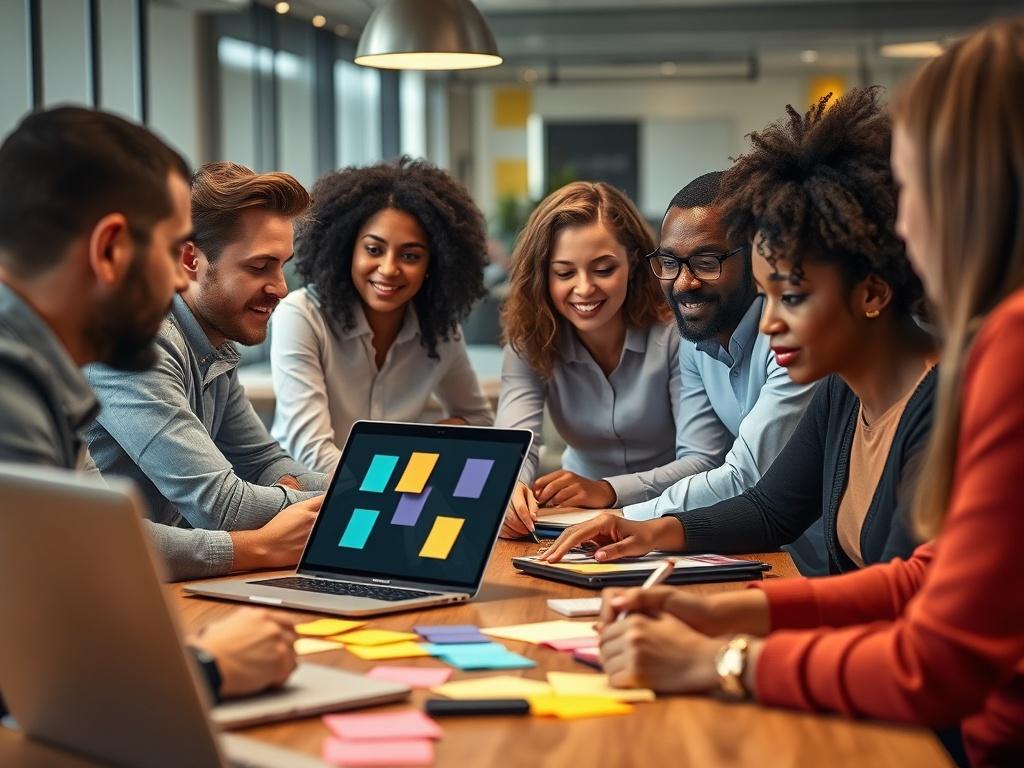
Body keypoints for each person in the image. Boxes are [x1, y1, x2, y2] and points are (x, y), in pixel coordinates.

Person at [593, 20, 1024, 767]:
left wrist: (721, 658)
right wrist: (721, 607)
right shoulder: (958, 356)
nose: (907, 221)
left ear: (975, 189)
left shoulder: (1005, 349)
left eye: (915, 188)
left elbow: (933, 662)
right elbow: (917, 578)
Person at [541, 87, 936, 574]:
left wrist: (741, 633)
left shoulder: (943, 407)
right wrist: (643, 531)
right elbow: (771, 510)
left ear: (873, 294)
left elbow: (903, 599)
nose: (769, 324)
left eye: (790, 298)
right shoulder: (843, 390)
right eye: (767, 297)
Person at [0, 107, 303, 707]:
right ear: (111, 248)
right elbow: (39, 679)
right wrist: (208, 667)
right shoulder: (12, 385)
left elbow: (91, 557)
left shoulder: (44, 374)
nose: (176, 283)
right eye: (171, 252)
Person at [507, 172, 823, 573]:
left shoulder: (784, 338)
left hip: (809, 550)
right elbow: (515, 442)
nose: (685, 282)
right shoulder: (698, 339)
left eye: (708, 263)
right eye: (671, 263)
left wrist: (630, 519)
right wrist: (507, 494)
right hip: (729, 539)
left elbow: (735, 473)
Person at [86, 162, 327, 578]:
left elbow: (263, 461)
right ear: (190, 260)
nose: (282, 287)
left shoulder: (213, 343)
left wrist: (359, 494)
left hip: (154, 578)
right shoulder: (140, 342)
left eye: (283, 264)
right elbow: (223, 507)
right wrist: (354, 501)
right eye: (259, 266)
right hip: (101, 583)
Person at [270, 157, 493, 475]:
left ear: (434, 263)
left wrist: (419, 451)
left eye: (410, 256)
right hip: (304, 500)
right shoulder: (302, 316)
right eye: (374, 250)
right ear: (348, 249)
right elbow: (312, 453)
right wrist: (399, 477)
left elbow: (478, 420)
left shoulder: (438, 329)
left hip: (393, 496)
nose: (389, 269)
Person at [495, 181, 680, 535]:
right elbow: (513, 446)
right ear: (543, 277)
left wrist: (608, 490)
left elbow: (704, 460)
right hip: (571, 518)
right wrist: (509, 491)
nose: (583, 288)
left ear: (634, 263)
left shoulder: (674, 334)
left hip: (670, 513)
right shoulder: (528, 342)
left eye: (603, 269)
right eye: (564, 273)